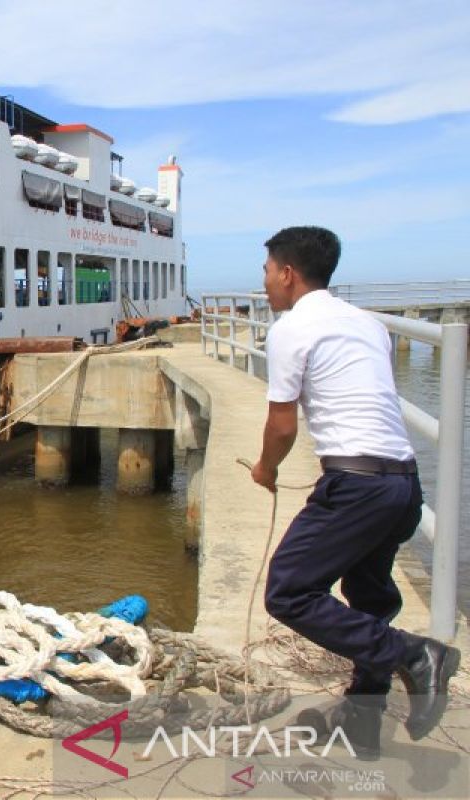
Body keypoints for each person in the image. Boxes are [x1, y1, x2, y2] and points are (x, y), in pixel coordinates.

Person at [252, 226, 460, 759]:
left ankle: (415, 656)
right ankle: (363, 722)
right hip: (402, 485)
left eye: (268, 271)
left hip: (357, 485)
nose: (266, 282)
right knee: (368, 600)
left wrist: (265, 470)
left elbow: (281, 428)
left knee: (289, 590)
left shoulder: (291, 328)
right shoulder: (367, 324)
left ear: (288, 274)